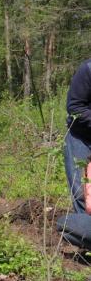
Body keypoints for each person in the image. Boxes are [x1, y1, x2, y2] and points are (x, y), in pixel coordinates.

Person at [64, 59, 91, 214]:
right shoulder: (87, 70)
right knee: (81, 190)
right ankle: (85, 231)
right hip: (80, 137)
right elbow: (75, 107)